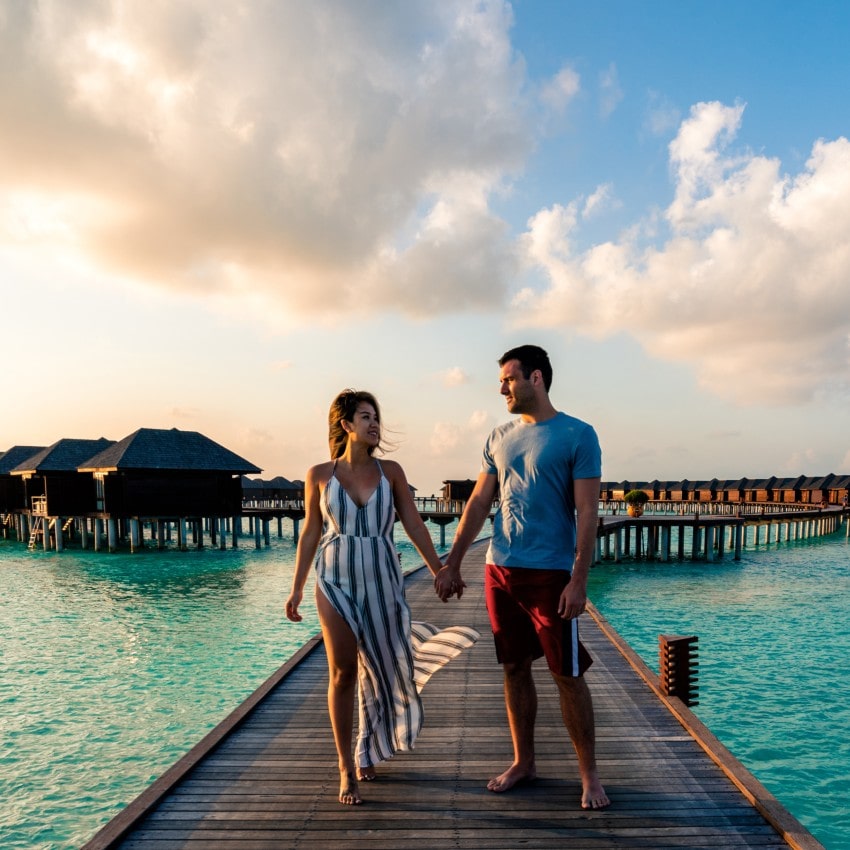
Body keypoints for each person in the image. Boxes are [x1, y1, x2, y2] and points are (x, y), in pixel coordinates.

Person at [434, 344, 610, 811]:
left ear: (536, 378)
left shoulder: (578, 435)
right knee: (513, 667)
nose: (501, 388)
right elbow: (477, 503)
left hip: (551, 574)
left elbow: (588, 512)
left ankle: (590, 776)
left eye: (508, 379)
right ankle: (524, 762)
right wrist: (451, 563)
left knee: (566, 673)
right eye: (501, 381)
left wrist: (579, 578)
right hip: (500, 567)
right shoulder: (499, 436)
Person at [285, 389, 477, 806]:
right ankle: (344, 767)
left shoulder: (391, 472)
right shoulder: (318, 474)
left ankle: (367, 748)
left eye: (376, 417)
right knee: (343, 673)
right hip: (334, 580)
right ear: (346, 425)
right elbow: (310, 533)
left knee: (381, 666)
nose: (375, 424)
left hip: (383, 579)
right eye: (367, 417)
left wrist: (439, 569)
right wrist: (298, 586)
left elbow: (413, 523)